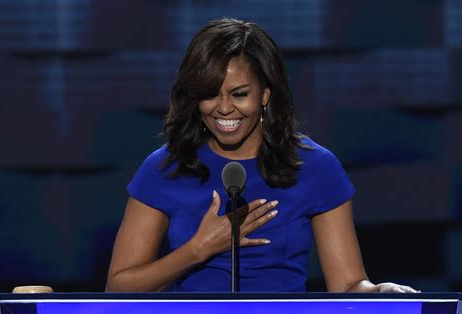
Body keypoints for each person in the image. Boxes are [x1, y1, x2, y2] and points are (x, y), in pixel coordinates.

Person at [106, 18, 418, 293]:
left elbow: (348, 285)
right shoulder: (165, 166)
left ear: (265, 94)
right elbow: (118, 289)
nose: (224, 108)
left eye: (239, 94)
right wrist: (198, 250)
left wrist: (379, 291)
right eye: (210, 94)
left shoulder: (315, 167)